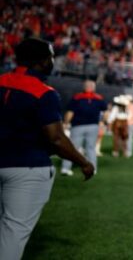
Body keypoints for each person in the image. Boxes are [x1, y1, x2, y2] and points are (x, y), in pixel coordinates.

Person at [0, 38, 95, 260]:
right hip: (27, 168)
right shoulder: (44, 92)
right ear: (43, 61)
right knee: (12, 233)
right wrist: (84, 162)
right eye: (51, 57)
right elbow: (56, 139)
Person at [61, 80, 107, 176]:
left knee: (73, 148)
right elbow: (106, 112)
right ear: (93, 88)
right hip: (93, 126)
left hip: (78, 126)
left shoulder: (77, 97)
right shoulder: (99, 98)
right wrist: (103, 121)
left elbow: (70, 112)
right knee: (90, 148)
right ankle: (92, 169)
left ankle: (65, 168)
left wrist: (65, 123)